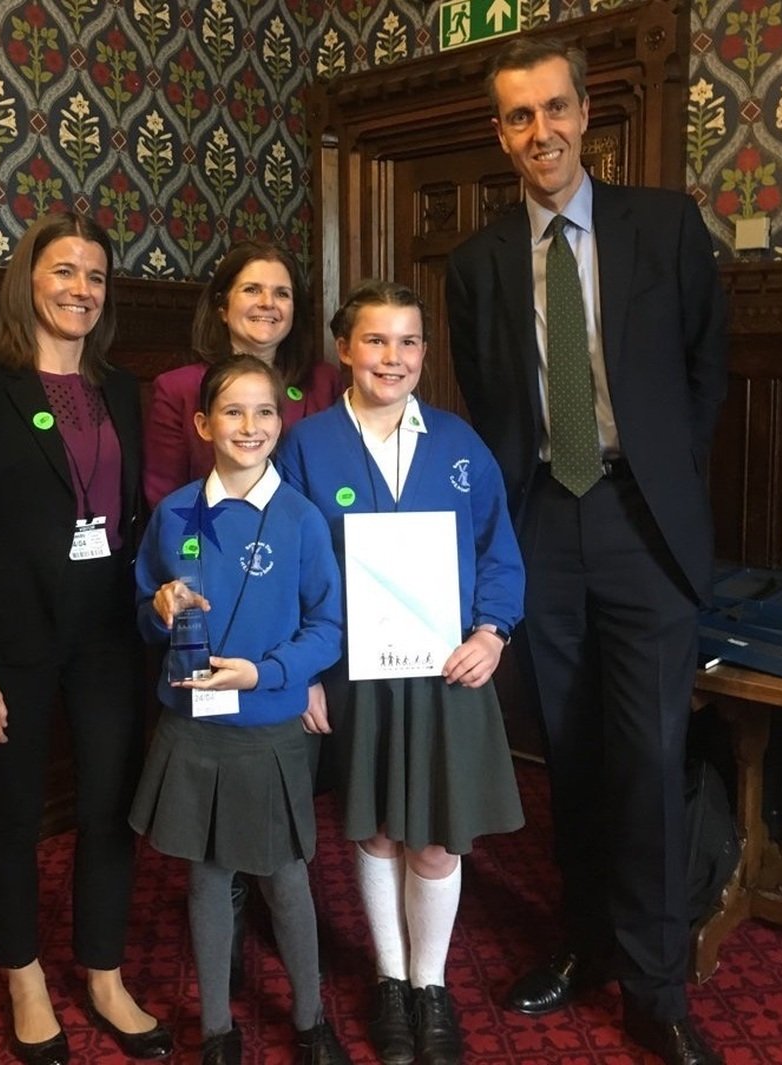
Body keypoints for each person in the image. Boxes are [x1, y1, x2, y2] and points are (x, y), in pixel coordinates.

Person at [445, 37, 728, 1065]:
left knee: (649, 758)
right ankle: (583, 943)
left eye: (554, 109)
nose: (540, 132)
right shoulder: (477, 263)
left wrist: (655, 477)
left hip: (641, 524)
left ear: (584, 112)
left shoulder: (664, 226)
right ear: (500, 133)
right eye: (519, 117)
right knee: (566, 751)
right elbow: (487, 399)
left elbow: (706, 373)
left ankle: (657, 984)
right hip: (540, 527)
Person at [0, 213, 172, 1065]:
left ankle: (102, 972)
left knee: (110, 806)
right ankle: (23, 972)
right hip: (12, 642)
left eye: (96, 277)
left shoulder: (120, 389)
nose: (80, 289)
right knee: (14, 812)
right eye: (64, 271)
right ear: (29, 281)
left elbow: (133, 518)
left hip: (107, 635)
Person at [277, 280, 525, 1065]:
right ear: (345, 348)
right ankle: (389, 977)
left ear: (425, 352)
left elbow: (499, 549)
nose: (394, 357)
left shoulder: (460, 443)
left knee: (439, 843)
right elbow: (289, 565)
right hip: (354, 673)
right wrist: (305, 673)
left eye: (409, 341)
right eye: (376, 340)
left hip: (447, 675)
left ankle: (431, 982)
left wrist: (493, 631)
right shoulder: (307, 444)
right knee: (379, 828)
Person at [129, 354, 352, 1065]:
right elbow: (142, 609)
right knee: (207, 877)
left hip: (270, 727)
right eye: (232, 411)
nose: (249, 426)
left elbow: (329, 625)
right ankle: (218, 1028)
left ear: (281, 422)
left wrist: (270, 671)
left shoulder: (302, 518)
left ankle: (312, 1018)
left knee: (285, 877)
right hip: (194, 728)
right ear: (203, 423)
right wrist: (157, 608)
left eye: (264, 412)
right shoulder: (173, 514)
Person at [143, 239, 342, 511]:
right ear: (222, 307)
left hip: (304, 543)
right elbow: (165, 497)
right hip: (211, 543)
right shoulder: (177, 389)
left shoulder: (324, 382)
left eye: (282, 293)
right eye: (252, 290)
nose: (268, 303)